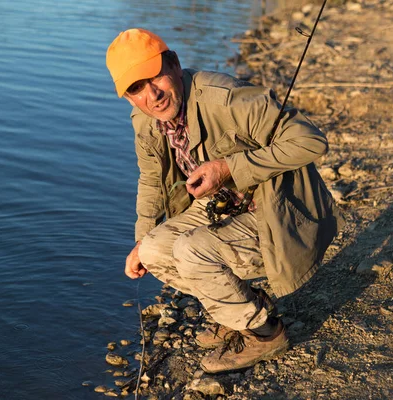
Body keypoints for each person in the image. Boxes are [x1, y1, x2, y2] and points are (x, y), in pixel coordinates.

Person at [105, 28, 344, 374]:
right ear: (128, 97)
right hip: (224, 207)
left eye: (155, 76)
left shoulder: (227, 99)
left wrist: (229, 167)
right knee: (153, 251)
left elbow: (312, 142)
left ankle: (266, 334)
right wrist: (141, 235)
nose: (152, 94)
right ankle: (242, 310)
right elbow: (151, 179)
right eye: (136, 88)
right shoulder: (146, 118)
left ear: (174, 63)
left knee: (192, 251)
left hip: (279, 214)